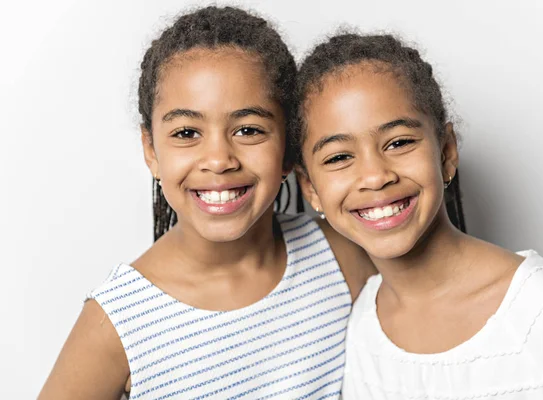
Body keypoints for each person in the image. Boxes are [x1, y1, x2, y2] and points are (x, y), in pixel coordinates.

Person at [39, 9, 373, 400]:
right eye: (186, 132)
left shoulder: (341, 255)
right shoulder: (117, 324)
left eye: (248, 130)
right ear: (151, 150)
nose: (218, 159)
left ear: (287, 147)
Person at [295, 32, 543, 399]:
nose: (375, 176)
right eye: (339, 157)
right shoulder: (358, 325)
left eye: (399, 142)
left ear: (447, 151)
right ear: (310, 188)